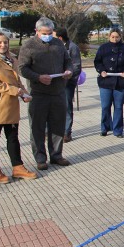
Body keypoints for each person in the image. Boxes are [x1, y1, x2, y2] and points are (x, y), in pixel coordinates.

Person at [0, 32, 37, 183]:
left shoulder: (11, 59)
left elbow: (16, 81)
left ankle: (18, 167)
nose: (3, 45)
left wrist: (24, 93)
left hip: (10, 104)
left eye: (5, 42)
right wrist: (13, 90)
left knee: (12, 137)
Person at [19, 17, 73, 170]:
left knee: (58, 125)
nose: (47, 35)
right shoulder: (28, 45)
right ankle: (40, 158)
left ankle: (56, 155)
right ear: (37, 31)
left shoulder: (57, 43)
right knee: (38, 127)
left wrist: (69, 71)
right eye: (44, 33)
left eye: (50, 32)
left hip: (58, 91)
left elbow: (67, 61)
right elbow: (22, 68)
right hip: (38, 92)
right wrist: (38, 77)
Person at [94, 28, 124, 138]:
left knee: (118, 106)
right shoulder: (103, 48)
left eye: (117, 37)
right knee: (105, 106)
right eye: (112, 37)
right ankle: (105, 127)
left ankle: (118, 130)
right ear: (109, 37)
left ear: (120, 37)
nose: (115, 39)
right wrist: (101, 70)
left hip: (121, 82)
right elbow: (97, 61)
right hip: (105, 82)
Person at [54, 28, 82, 143]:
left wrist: (67, 75)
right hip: (54, 82)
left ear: (60, 38)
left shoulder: (72, 47)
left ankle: (67, 132)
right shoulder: (53, 47)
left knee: (67, 106)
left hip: (67, 82)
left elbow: (76, 66)